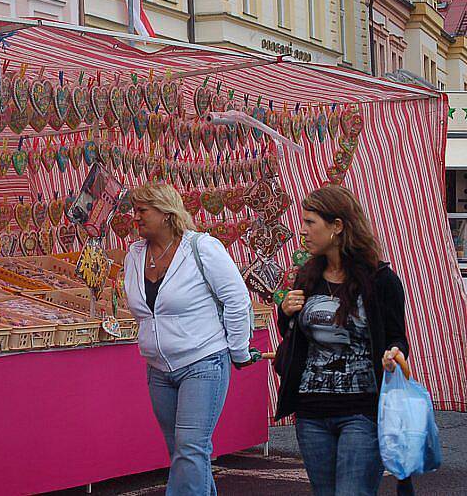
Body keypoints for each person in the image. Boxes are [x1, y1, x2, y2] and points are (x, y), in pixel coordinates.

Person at [275, 185, 410, 496]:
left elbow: (396, 336)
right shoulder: (306, 277)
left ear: (337, 227)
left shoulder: (381, 280)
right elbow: (294, 337)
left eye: (311, 222)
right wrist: (286, 314)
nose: (303, 231)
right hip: (310, 413)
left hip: (361, 411)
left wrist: (393, 353)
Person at [123, 182, 256, 496]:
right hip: (158, 368)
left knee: (190, 448)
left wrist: (238, 350)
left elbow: (237, 300)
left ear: (166, 213)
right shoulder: (134, 254)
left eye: (143, 210)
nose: (136, 218)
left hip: (203, 361)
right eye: (135, 210)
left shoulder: (202, 247)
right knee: (183, 453)